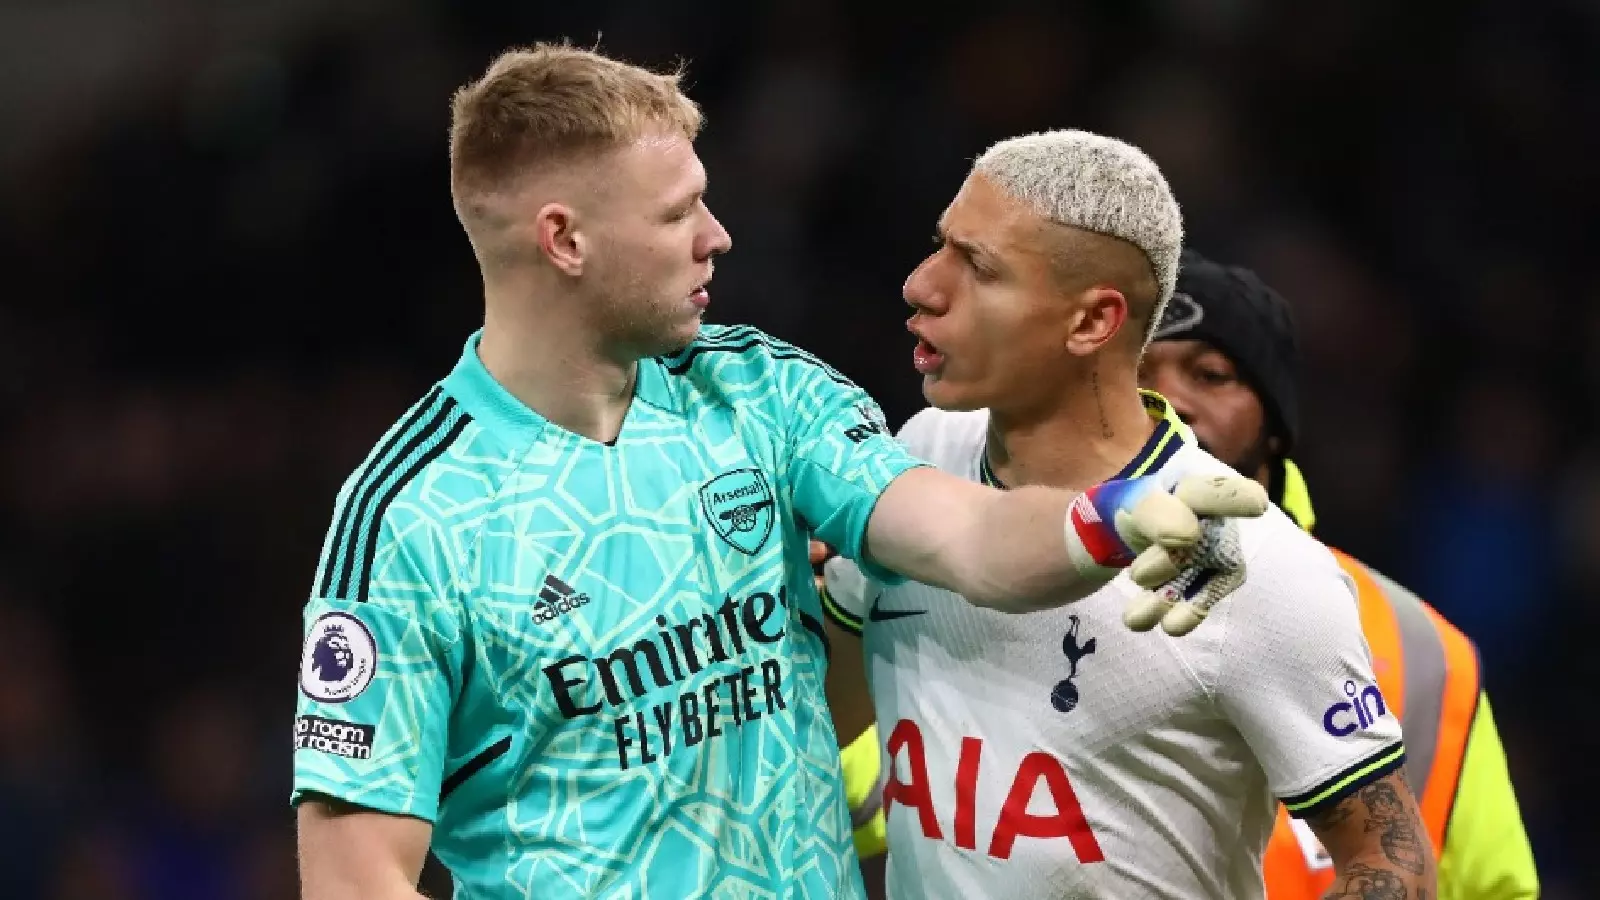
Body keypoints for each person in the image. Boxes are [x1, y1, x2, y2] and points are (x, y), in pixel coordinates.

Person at [289, 45, 1268, 900]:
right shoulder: (412, 517)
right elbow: (354, 878)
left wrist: (1109, 516)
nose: (716, 235)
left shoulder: (758, 395)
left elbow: (962, 535)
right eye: (678, 213)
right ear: (564, 240)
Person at [819, 129, 1437, 899]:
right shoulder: (920, 454)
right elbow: (825, 715)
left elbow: (1392, 861)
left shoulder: (1246, 564)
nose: (921, 285)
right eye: (940, 246)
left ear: (1091, 323)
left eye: (978, 267)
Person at [1139, 249, 1540, 900]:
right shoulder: (999, 588)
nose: (1170, 400)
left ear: (1275, 430)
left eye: (1211, 374)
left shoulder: (1423, 652)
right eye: (1136, 374)